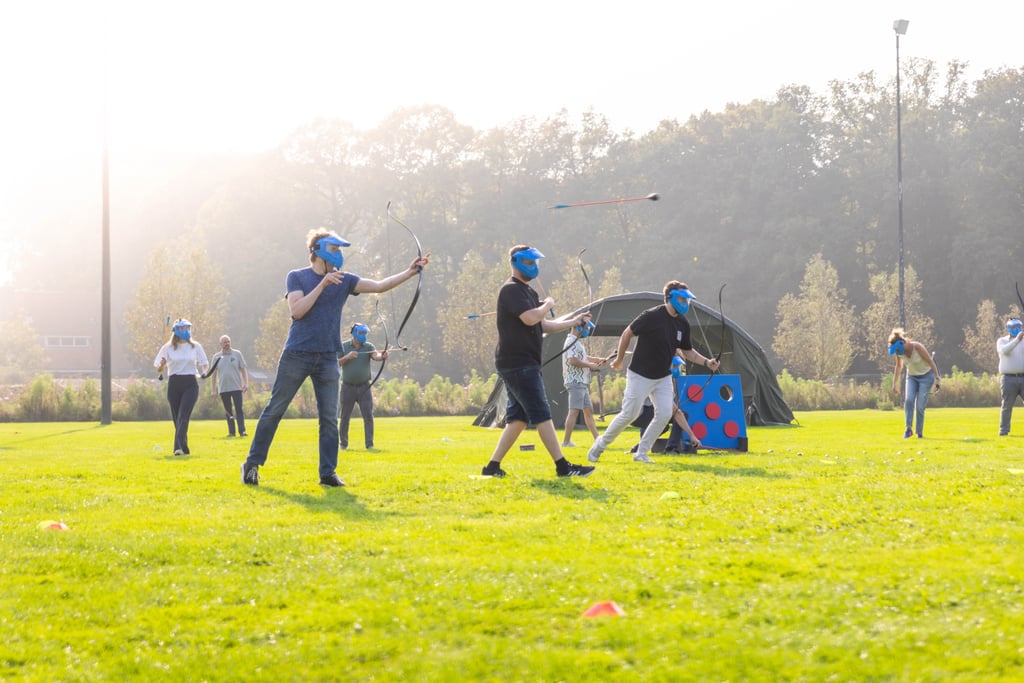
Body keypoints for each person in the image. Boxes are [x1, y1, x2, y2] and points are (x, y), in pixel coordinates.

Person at [241, 228, 429, 487]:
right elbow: (297, 311)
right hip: (297, 353)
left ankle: (327, 473)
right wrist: (323, 284)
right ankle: (252, 464)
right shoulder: (296, 277)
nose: (339, 255)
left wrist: (410, 272)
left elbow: (378, 286)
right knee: (275, 409)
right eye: (334, 250)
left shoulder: (346, 280)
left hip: (329, 357)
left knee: (330, 417)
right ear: (317, 251)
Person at [480, 245, 595, 479]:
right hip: (517, 363)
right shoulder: (511, 290)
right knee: (542, 414)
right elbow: (532, 318)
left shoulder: (529, 293)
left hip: (525, 362)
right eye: (529, 263)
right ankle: (563, 467)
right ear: (515, 262)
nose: (534, 267)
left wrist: (573, 322)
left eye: (535, 263)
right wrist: (548, 305)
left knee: (519, 419)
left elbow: (544, 326)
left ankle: (492, 467)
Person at [587, 281, 720, 464]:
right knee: (629, 414)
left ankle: (641, 453)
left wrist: (707, 362)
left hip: (663, 377)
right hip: (639, 374)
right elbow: (627, 333)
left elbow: (687, 351)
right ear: (669, 298)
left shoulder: (682, 323)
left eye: (687, 299)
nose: (685, 303)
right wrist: (618, 361)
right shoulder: (651, 316)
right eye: (682, 299)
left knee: (665, 414)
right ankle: (599, 446)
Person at [153, 319, 209, 456]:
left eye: (188, 328)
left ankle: (177, 448)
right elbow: (158, 369)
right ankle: (184, 447)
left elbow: (205, 363)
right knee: (177, 417)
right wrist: (162, 364)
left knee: (183, 415)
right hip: (174, 383)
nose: (186, 331)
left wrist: (204, 372)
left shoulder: (196, 346)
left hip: (190, 383)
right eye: (183, 329)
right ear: (177, 331)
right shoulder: (167, 347)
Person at [337, 322, 387, 450]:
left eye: (365, 333)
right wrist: (348, 357)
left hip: (364, 387)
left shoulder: (368, 346)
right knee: (344, 416)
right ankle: (343, 443)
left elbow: (376, 356)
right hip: (348, 387)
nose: (364, 335)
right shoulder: (343, 346)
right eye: (361, 333)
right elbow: (336, 363)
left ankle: (369, 444)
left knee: (368, 416)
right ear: (354, 333)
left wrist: (383, 356)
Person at [888, 327, 941, 438]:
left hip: (926, 377)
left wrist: (937, 378)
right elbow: (898, 367)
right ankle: (908, 429)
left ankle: (919, 433)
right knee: (908, 400)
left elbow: (931, 362)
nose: (897, 353)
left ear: (902, 343)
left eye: (897, 349)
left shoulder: (917, 347)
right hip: (911, 377)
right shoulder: (899, 352)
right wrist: (894, 383)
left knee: (920, 406)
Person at [560, 319, 604, 447]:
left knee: (588, 411)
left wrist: (596, 360)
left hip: (582, 382)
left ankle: (597, 439)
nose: (587, 331)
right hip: (575, 381)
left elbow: (581, 357)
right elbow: (572, 360)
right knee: (573, 411)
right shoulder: (571, 341)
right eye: (586, 328)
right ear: (578, 328)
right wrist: (590, 366)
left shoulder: (576, 342)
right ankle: (566, 441)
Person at [209, 335, 249, 437]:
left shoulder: (237, 354)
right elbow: (213, 375)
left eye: (228, 341)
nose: (227, 344)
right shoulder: (216, 357)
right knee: (228, 412)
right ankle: (232, 432)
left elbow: (243, 369)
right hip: (223, 388)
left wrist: (245, 383)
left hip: (236, 387)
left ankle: (242, 431)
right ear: (220, 344)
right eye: (225, 342)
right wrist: (213, 390)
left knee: (239, 409)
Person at [997, 317, 1024, 436]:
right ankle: (1004, 430)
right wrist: (1017, 340)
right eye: (1014, 327)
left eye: (1019, 327)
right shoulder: (1002, 341)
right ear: (1008, 328)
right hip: (1008, 378)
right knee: (1007, 405)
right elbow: (1004, 351)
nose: (1017, 329)